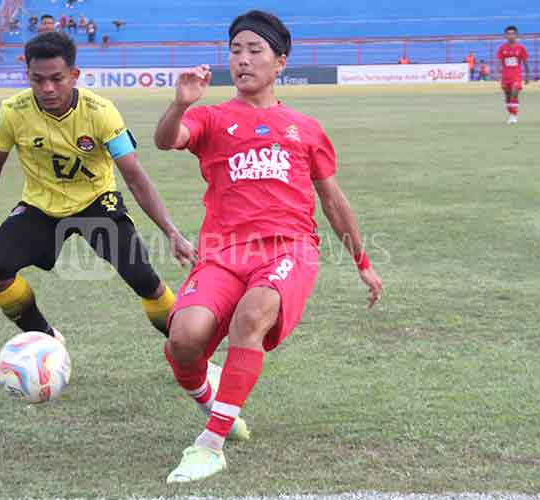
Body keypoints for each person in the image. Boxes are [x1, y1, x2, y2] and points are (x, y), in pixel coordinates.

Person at [153, 9, 383, 484]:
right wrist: (178, 104)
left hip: (288, 250)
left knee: (252, 316)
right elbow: (166, 139)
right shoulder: (211, 118)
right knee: (183, 340)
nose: (242, 59)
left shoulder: (306, 128)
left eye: (254, 50)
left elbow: (332, 199)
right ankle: (218, 400)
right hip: (222, 253)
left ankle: (210, 444)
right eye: (235, 50)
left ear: (280, 62)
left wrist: (362, 260)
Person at [0, 32, 209, 381]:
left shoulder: (100, 112)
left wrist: (172, 232)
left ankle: (195, 360)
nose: (48, 89)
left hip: (97, 204)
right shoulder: (14, 111)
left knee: (144, 279)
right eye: (37, 80)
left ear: (74, 75)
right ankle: (47, 340)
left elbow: (134, 175)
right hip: (41, 207)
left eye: (57, 79)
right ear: (26, 74)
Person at [497, 25, 529, 124]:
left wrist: (527, 76)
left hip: (516, 76)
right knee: (507, 96)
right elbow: (499, 61)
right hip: (505, 76)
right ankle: (511, 113)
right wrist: (497, 72)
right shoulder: (502, 48)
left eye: (513, 34)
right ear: (505, 36)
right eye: (508, 34)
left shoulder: (521, 48)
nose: (511, 36)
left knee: (514, 94)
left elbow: (525, 62)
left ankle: (514, 115)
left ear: (516, 35)